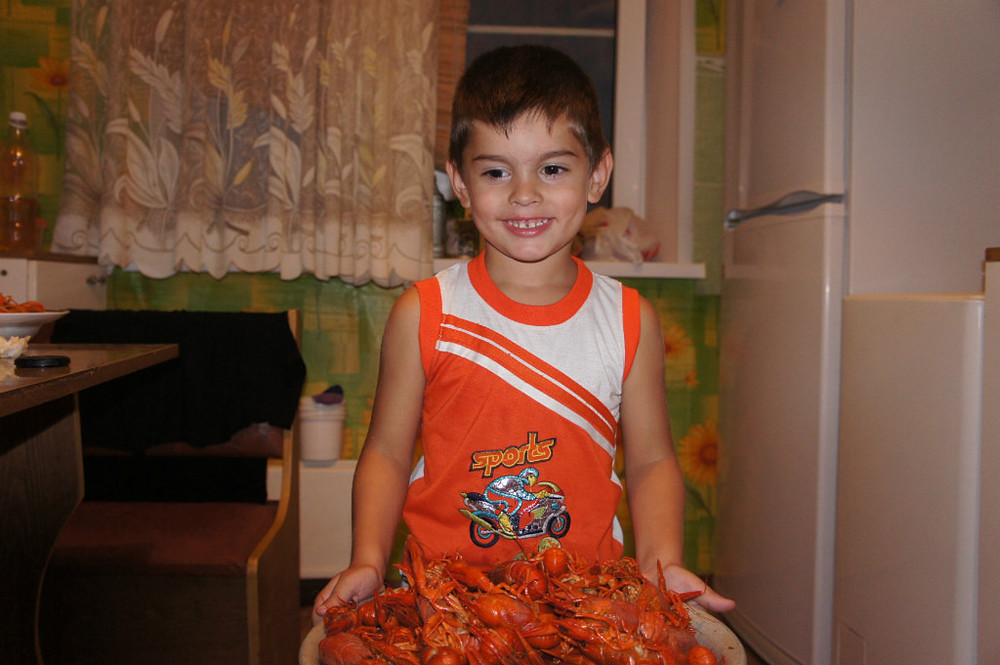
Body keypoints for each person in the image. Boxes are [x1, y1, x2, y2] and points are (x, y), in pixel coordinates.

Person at [313, 44, 734, 623]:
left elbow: (652, 461)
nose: (524, 194)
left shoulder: (631, 319)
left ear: (598, 175)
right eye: (496, 172)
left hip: (587, 603)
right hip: (444, 603)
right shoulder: (423, 313)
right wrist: (367, 558)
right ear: (461, 184)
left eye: (552, 169)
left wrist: (662, 562)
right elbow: (386, 452)